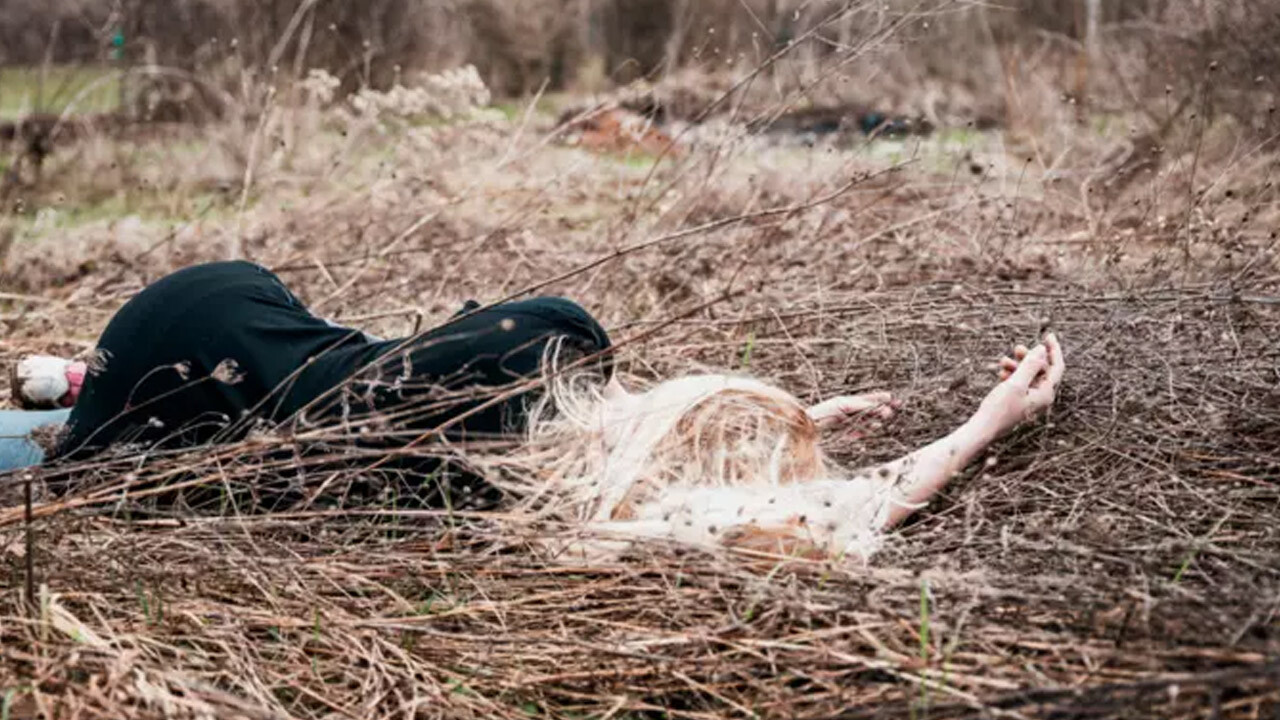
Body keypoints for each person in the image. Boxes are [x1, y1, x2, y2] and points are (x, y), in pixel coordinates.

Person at [1, 260, 1065, 561]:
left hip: (239, 337)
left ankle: (85, 391)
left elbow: (839, 512)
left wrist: (982, 425)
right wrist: (815, 419)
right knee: (149, 452)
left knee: (125, 463)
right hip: (253, 352)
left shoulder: (620, 483)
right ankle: (87, 391)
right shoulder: (600, 473)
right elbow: (831, 507)